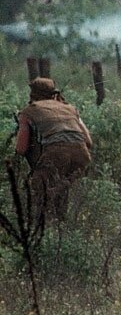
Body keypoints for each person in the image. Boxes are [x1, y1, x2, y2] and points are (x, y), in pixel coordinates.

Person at [15, 77, 93, 223]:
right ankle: (60, 225)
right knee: (60, 189)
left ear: (33, 93)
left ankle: (44, 228)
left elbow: (21, 148)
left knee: (40, 190)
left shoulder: (28, 112)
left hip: (57, 152)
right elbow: (88, 141)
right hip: (82, 156)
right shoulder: (70, 108)